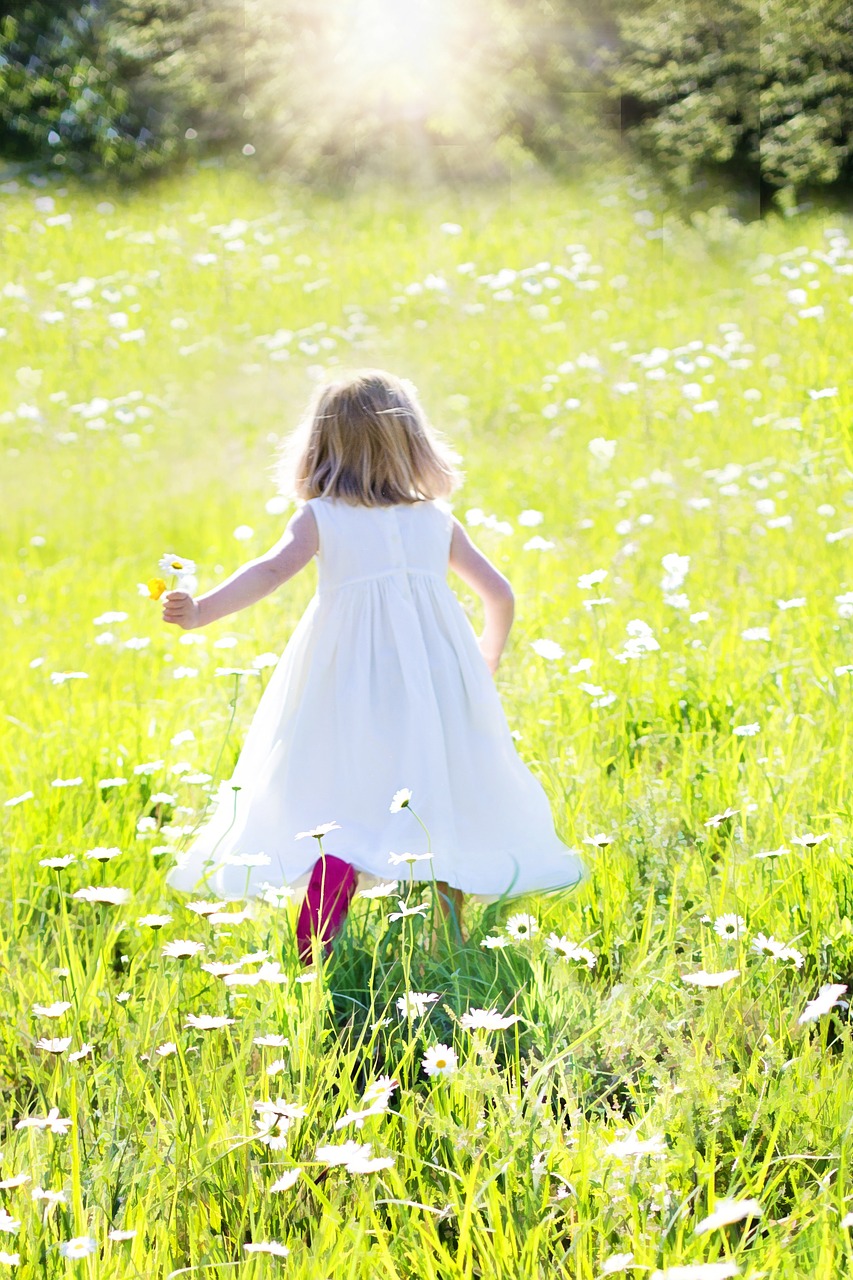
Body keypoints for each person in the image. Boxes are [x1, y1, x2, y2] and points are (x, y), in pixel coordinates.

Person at [162, 368, 586, 959]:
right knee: (432, 789)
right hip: (433, 683)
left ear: (321, 446)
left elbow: (267, 572)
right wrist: (482, 662)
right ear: (412, 442)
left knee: (340, 786)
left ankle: (318, 938)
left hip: (344, 679)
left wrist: (201, 611)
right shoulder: (435, 520)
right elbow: (500, 595)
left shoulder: (322, 518)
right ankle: (446, 945)